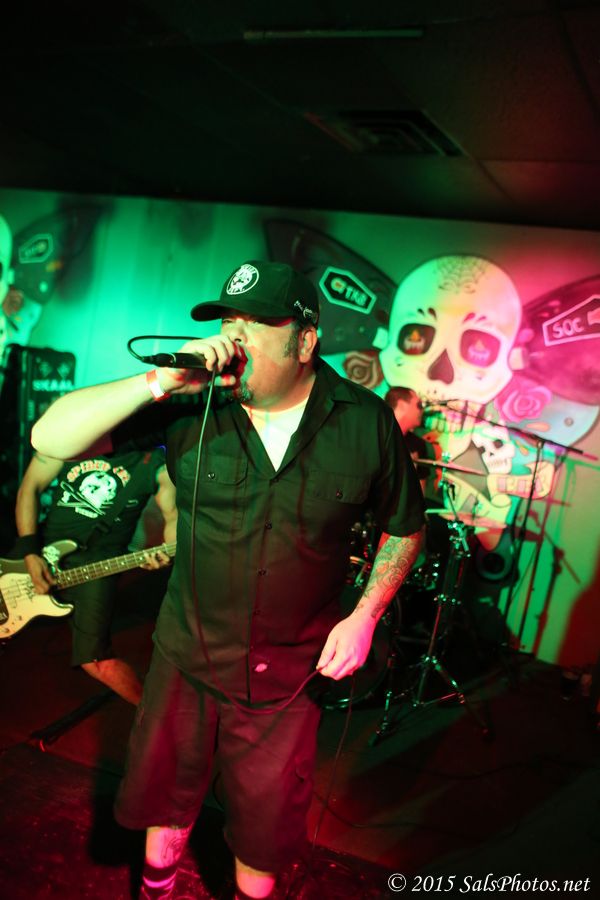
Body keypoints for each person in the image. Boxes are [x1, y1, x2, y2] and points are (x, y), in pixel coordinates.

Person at [31, 260, 425, 900]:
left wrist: (365, 615)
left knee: (262, 836)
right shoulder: (192, 402)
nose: (234, 336)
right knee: (165, 803)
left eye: (256, 322)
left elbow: (405, 529)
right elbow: (49, 437)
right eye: (228, 320)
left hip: (288, 675)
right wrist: (160, 380)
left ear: (305, 340)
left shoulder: (365, 421)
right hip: (185, 656)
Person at [14, 448, 177, 705]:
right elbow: (29, 487)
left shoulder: (155, 464)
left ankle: (158, 718)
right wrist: (29, 552)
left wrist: (167, 552)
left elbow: (174, 518)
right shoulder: (71, 440)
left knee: (96, 661)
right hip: (41, 550)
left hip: (99, 566)